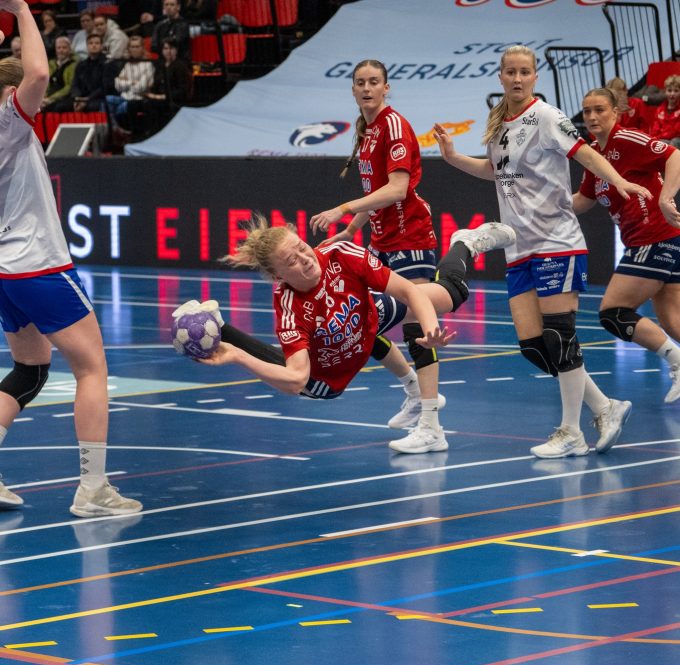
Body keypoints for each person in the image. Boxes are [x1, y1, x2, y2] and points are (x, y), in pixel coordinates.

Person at [433, 44, 651, 459]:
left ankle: (572, 432)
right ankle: (604, 406)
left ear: (534, 77)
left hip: (557, 242)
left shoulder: (547, 117)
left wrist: (619, 181)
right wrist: (453, 157)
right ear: (501, 77)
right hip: (519, 249)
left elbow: (585, 154)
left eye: (524, 72)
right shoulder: (499, 125)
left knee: (559, 334)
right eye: (510, 72)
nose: (517, 78)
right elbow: (494, 171)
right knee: (535, 347)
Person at [198, 215, 515, 454]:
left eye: (302, 248)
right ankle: (224, 331)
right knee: (298, 362)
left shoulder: (339, 254)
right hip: (325, 377)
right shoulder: (291, 306)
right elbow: (295, 379)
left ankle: (465, 243)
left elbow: (408, 290)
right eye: (292, 261)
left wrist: (430, 327)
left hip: (368, 316)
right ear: (277, 276)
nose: (305, 259)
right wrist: (237, 356)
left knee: (453, 293)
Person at [0, 0, 142, 517]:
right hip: (37, 263)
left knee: (30, 369)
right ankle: (93, 490)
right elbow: (40, 72)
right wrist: (20, 8)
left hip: (4, 272)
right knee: (92, 368)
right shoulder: (8, 121)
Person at [310, 59, 446, 438]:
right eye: (361, 82)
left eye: (374, 82)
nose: (367, 88)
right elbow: (376, 194)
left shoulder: (394, 125)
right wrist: (350, 230)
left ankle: (431, 425)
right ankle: (413, 390)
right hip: (381, 242)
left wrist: (342, 209)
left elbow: (397, 190)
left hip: (410, 237)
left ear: (386, 88)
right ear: (353, 89)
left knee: (417, 327)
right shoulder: (367, 131)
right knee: (360, 322)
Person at [572, 87, 680, 403]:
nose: (592, 117)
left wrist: (666, 197)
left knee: (613, 312)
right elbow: (583, 200)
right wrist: (541, 205)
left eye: (600, 110)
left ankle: (676, 362)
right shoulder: (593, 154)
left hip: (654, 237)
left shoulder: (627, 140)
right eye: (587, 111)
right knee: (673, 322)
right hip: (656, 241)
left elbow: (675, 156)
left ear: (615, 112)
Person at [137, 36, 191, 136]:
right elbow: (155, 85)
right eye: (165, 48)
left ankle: (155, 133)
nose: (168, 51)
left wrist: (162, 96)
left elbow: (182, 91)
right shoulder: (160, 65)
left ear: (176, 50)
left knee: (151, 105)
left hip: (173, 100)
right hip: (158, 98)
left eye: (171, 48)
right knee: (135, 104)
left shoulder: (180, 66)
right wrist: (149, 92)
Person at [106, 35, 154, 131]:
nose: (134, 49)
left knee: (118, 109)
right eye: (132, 47)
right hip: (124, 97)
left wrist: (125, 82)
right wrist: (132, 82)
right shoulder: (128, 64)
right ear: (129, 49)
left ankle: (118, 130)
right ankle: (113, 129)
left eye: (137, 47)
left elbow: (141, 87)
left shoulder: (148, 64)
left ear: (142, 48)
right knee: (106, 100)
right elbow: (117, 85)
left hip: (138, 99)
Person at [55, 32, 107, 112]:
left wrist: (87, 99)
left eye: (97, 43)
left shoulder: (107, 64)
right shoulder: (81, 65)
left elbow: (104, 87)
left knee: (91, 107)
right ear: (87, 46)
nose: (93, 45)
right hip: (81, 98)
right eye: (90, 43)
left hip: (97, 98)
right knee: (60, 106)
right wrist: (77, 98)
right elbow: (75, 84)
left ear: (101, 46)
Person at [41, 35, 77, 112]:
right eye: (59, 48)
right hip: (48, 96)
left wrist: (51, 98)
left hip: (64, 97)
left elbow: (69, 86)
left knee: (55, 107)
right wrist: (44, 97)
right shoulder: (51, 63)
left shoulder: (74, 64)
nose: (61, 50)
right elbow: (46, 83)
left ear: (69, 49)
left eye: (64, 48)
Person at [649, 74, 680, 148]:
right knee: (655, 144)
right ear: (665, 91)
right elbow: (655, 130)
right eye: (669, 90)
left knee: (674, 141)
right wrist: (655, 139)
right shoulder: (659, 110)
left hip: (676, 140)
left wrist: (661, 137)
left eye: (676, 91)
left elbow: (676, 131)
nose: (672, 94)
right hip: (663, 140)